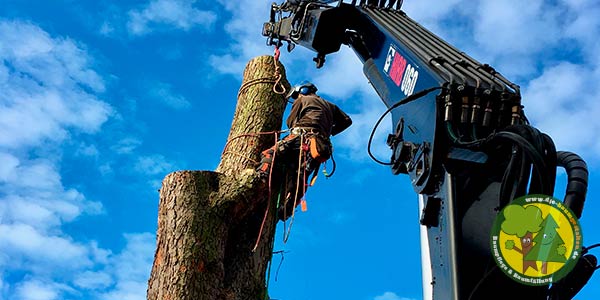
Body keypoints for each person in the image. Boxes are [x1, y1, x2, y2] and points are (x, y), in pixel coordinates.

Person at [256, 81, 352, 220]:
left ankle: (261, 177)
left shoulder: (303, 100)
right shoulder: (331, 106)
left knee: (270, 153)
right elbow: (347, 121)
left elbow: (290, 122)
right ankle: (288, 210)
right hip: (319, 145)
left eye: (297, 95)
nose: (297, 97)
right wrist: (328, 131)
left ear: (303, 90)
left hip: (301, 137)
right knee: (301, 177)